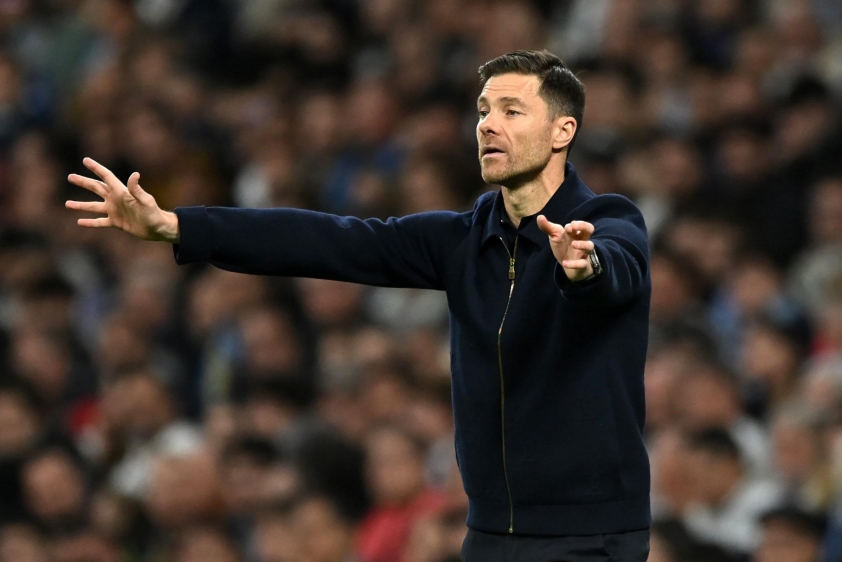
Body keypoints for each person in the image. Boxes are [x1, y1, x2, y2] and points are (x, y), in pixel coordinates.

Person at [66, 50, 651, 561]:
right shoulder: (462, 241)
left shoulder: (607, 222)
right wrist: (178, 226)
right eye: (483, 111)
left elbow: (616, 270)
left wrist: (585, 270)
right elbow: (326, 240)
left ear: (562, 131)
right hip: (492, 535)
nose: (488, 125)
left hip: (589, 535)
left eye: (511, 111)